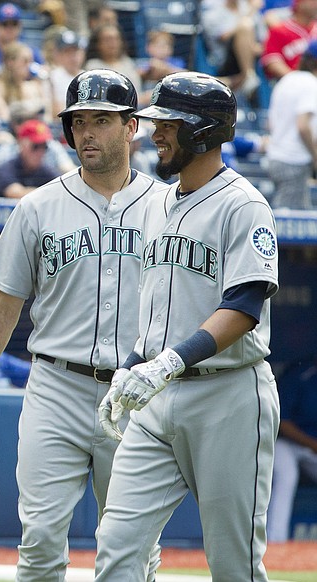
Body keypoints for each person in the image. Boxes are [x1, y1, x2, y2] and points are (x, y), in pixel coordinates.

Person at [0, 69, 163, 580]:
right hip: (56, 386)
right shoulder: (37, 206)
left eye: (101, 121)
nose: (86, 133)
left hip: (136, 392)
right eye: (78, 121)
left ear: (132, 127)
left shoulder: (168, 209)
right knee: (39, 541)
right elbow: (0, 306)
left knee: (131, 550)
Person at [95, 72, 279, 581]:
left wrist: (168, 362)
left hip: (229, 397)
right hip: (158, 402)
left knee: (232, 564)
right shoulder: (156, 201)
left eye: (168, 124)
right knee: (116, 549)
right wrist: (131, 370)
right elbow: (157, 312)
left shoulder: (244, 204)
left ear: (201, 132)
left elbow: (244, 306)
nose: (155, 134)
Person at [267, 359, 317, 542]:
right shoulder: (301, 374)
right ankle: (275, 540)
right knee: (287, 475)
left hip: (312, 448)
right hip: (286, 443)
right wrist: (311, 443)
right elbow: (282, 421)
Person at [265, 39, 317, 209]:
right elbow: (303, 125)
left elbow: (270, 123)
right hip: (294, 161)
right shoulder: (310, 84)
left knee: (301, 212)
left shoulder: (287, 80)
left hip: (276, 156)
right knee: (287, 221)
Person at [0, 119, 59, 198]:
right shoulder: (6, 169)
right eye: (36, 146)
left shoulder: (44, 170)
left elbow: (60, 190)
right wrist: (49, 193)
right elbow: (16, 193)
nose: (40, 152)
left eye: (44, 146)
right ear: (22, 143)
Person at [262, 0, 317, 80]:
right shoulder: (278, 30)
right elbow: (273, 62)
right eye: (312, 2)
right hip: (293, 84)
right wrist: (297, 80)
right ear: (300, 4)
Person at [84, 24, 142, 93]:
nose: (112, 43)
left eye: (116, 39)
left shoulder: (128, 62)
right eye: (107, 40)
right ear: (97, 44)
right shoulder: (92, 67)